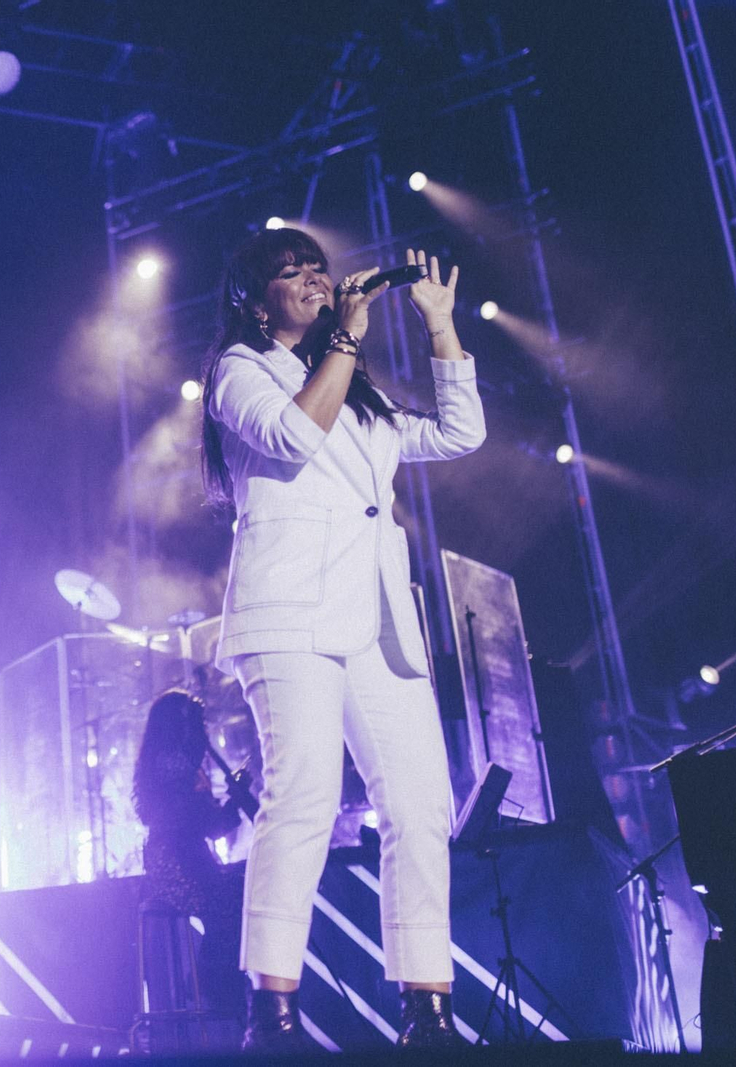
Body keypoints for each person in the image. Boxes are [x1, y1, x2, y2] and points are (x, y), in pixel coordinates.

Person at [198, 227, 485, 1050]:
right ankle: (272, 1011)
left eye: (317, 268)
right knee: (306, 798)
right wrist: (349, 337)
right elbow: (291, 436)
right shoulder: (238, 372)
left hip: (377, 621)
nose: (315, 281)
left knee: (422, 804)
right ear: (256, 301)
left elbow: (459, 435)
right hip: (289, 617)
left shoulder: (355, 389)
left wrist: (438, 326)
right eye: (291, 274)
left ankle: (427, 1009)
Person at [131, 689, 247, 1033]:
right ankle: (222, 991)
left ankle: (220, 989)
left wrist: (233, 799)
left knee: (230, 902)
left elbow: (209, 826)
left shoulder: (165, 762)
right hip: (181, 864)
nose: (203, 729)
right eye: (198, 722)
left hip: (174, 861)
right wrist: (238, 798)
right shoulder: (177, 764)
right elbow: (209, 826)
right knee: (231, 904)